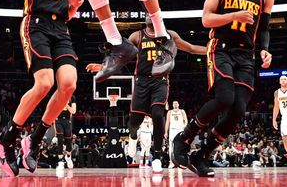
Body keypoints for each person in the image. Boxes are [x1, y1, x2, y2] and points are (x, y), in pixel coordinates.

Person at [0, 0, 85, 177]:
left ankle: (34, 138)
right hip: (35, 24)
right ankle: (6, 137)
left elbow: (63, 13)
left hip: (60, 29)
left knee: (68, 85)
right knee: (44, 83)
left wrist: (73, 7)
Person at [172, 0, 274, 177]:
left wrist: (265, 50)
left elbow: (264, 28)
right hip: (221, 49)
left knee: (238, 110)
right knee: (225, 97)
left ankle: (202, 156)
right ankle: (183, 138)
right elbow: (206, 19)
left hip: (247, 55)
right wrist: (233, 15)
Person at [87, 16, 206, 173]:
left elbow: (190, 48)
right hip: (141, 81)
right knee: (135, 121)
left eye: (153, 13)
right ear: (144, 19)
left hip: (160, 81)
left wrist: (212, 50)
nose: (150, 16)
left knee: (157, 113)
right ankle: (133, 134)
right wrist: (103, 66)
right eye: (147, 14)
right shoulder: (137, 36)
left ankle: (156, 156)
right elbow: (121, 56)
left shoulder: (169, 35)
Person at [165, 101, 188, 169]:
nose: (175, 104)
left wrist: (184, 127)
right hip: (172, 130)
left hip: (180, 130)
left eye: (176, 103)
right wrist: (166, 132)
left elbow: (186, 120)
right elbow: (167, 122)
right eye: (174, 103)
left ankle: (180, 162)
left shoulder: (182, 111)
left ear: (178, 104)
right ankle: (171, 162)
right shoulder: (169, 112)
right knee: (171, 147)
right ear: (172, 105)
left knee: (180, 147)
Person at [55, 96, 76, 169]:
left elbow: (73, 111)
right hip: (58, 120)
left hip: (67, 120)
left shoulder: (72, 97)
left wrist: (66, 105)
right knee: (60, 139)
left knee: (68, 141)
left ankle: (68, 157)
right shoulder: (57, 95)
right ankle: (60, 161)